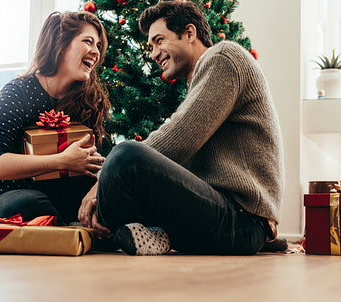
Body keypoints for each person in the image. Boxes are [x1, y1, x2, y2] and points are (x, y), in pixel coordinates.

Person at [78, 0, 285, 255]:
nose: (153, 53)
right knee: (118, 173)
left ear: (189, 33)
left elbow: (178, 139)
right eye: (151, 46)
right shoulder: (202, 77)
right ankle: (136, 233)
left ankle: (109, 231)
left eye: (159, 40)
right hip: (225, 213)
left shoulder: (223, 57)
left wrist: (102, 180)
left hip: (241, 219)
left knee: (125, 156)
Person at [0, 11, 110, 226]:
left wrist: (93, 197)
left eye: (98, 45)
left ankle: (80, 227)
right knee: (29, 203)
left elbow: (102, 164)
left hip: (67, 198)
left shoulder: (92, 100)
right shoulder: (19, 91)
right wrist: (61, 161)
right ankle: (79, 230)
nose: (96, 51)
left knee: (108, 202)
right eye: (88, 41)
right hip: (12, 196)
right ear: (61, 43)